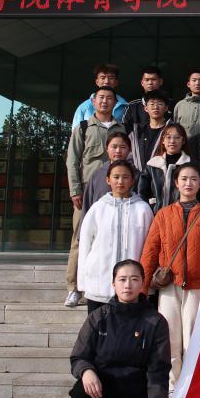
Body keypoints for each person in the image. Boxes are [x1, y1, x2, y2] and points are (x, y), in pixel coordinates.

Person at [69, 259, 170, 398]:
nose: (128, 285)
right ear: (113, 283)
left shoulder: (155, 321)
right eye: (122, 279)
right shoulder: (99, 317)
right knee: (79, 392)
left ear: (142, 283)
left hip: (137, 393)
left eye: (134, 279)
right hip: (104, 390)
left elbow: (158, 370)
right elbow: (79, 356)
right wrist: (86, 371)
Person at [139, 163, 200, 390]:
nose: (189, 183)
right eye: (184, 179)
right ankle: (173, 388)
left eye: (193, 179)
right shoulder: (163, 214)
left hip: (198, 286)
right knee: (169, 337)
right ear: (176, 183)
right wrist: (142, 288)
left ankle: (191, 388)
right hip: (169, 286)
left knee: (193, 338)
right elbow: (150, 251)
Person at [65, 86, 126, 308]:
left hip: (118, 190)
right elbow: (72, 160)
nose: (105, 102)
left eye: (109, 98)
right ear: (93, 101)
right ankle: (74, 288)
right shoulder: (83, 127)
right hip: (88, 191)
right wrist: (75, 189)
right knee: (80, 237)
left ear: (115, 103)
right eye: (101, 98)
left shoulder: (123, 128)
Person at [77, 160, 154, 313]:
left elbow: (149, 247)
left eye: (125, 177)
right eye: (116, 177)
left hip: (131, 288)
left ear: (132, 181)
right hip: (99, 284)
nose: (120, 181)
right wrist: (83, 280)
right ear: (108, 180)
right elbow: (85, 244)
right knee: (98, 325)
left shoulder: (143, 209)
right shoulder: (98, 208)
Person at [138, 123, 192, 213]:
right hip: (155, 215)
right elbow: (142, 193)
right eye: (168, 137)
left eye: (177, 137)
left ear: (183, 141)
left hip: (181, 215)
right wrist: (151, 208)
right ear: (163, 140)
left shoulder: (190, 165)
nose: (172, 141)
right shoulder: (152, 165)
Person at [81, 133, 132, 218]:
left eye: (123, 147)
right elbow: (87, 204)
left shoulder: (136, 174)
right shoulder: (97, 174)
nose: (118, 151)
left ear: (129, 149)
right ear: (107, 149)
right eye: (114, 147)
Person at [128, 90, 171, 172]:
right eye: (152, 104)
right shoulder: (137, 131)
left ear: (166, 108)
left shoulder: (171, 130)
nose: (156, 107)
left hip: (162, 175)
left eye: (160, 104)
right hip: (138, 176)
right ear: (146, 108)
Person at [122, 67, 173, 135]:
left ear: (160, 82)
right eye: (147, 80)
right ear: (142, 83)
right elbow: (124, 130)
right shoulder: (132, 106)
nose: (150, 83)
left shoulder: (171, 104)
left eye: (153, 79)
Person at [172, 68, 200, 139]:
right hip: (185, 144)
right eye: (194, 80)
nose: (197, 83)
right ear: (188, 84)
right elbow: (175, 129)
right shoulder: (180, 105)